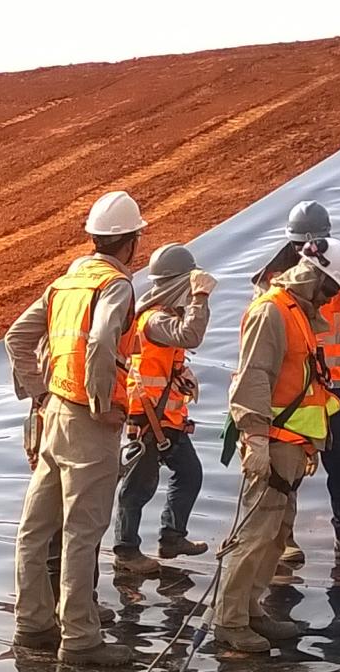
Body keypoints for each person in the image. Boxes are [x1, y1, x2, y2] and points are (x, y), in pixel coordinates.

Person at [3, 191, 146, 666]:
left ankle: (32, 623)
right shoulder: (116, 286)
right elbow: (105, 341)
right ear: (129, 243)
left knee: (36, 528)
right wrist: (104, 402)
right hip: (87, 421)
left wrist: (40, 394)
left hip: (55, 416)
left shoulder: (64, 283)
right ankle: (81, 638)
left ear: (93, 238)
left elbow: (18, 338)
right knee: (82, 532)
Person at [212, 240, 340, 652]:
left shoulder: (299, 315)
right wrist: (255, 438)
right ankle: (230, 620)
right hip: (272, 442)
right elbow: (253, 377)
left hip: (293, 444)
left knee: (274, 536)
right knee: (255, 534)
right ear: (313, 274)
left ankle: (251, 610)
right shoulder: (271, 311)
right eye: (330, 289)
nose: (331, 298)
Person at [251, 200, 340, 566]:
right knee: (286, 464)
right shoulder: (274, 279)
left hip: (329, 386)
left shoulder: (339, 266)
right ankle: (283, 540)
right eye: (299, 246)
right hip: (292, 387)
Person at [112, 243, 217, 576]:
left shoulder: (163, 316)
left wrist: (180, 374)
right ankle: (126, 552)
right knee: (137, 489)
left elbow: (167, 356)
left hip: (166, 420)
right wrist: (200, 298)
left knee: (189, 474)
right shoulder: (155, 318)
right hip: (149, 422)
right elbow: (191, 335)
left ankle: (172, 537)